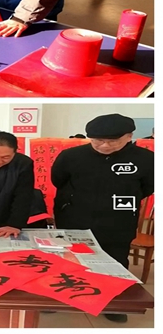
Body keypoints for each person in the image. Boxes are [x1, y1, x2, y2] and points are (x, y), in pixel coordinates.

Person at [52, 114, 154, 323]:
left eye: (113, 141)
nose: (105, 145)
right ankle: (63, 295)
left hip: (118, 220)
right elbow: (58, 180)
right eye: (98, 140)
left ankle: (114, 303)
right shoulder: (71, 156)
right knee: (70, 258)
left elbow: (148, 187)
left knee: (115, 259)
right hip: (75, 216)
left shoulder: (146, 159)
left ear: (129, 136)